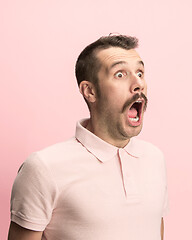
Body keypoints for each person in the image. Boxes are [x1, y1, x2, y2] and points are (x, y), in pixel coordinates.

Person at [8, 34, 169, 240]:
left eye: (140, 72)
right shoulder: (43, 168)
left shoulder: (154, 158)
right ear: (89, 91)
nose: (138, 83)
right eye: (120, 74)